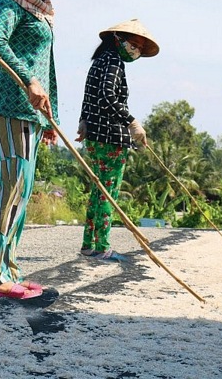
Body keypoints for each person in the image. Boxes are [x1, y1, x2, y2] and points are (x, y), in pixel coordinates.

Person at [0, 0, 88, 299]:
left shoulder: (41, 9)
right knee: (9, 187)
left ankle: (9, 268)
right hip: (8, 106)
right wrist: (26, 81)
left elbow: (45, 66)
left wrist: (49, 114)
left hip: (31, 114)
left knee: (22, 193)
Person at [75, 19, 160, 261]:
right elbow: (106, 97)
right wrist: (132, 122)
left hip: (96, 135)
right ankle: (102, 247)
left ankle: (88, 244)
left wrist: (84, 120)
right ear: (117, 39)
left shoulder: (100, 61)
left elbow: (89, 94)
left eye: (140, 48)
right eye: (134, 44)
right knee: (107, 193)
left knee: (98, 190)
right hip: (110, 137)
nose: (136, 50)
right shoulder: (112, 61)